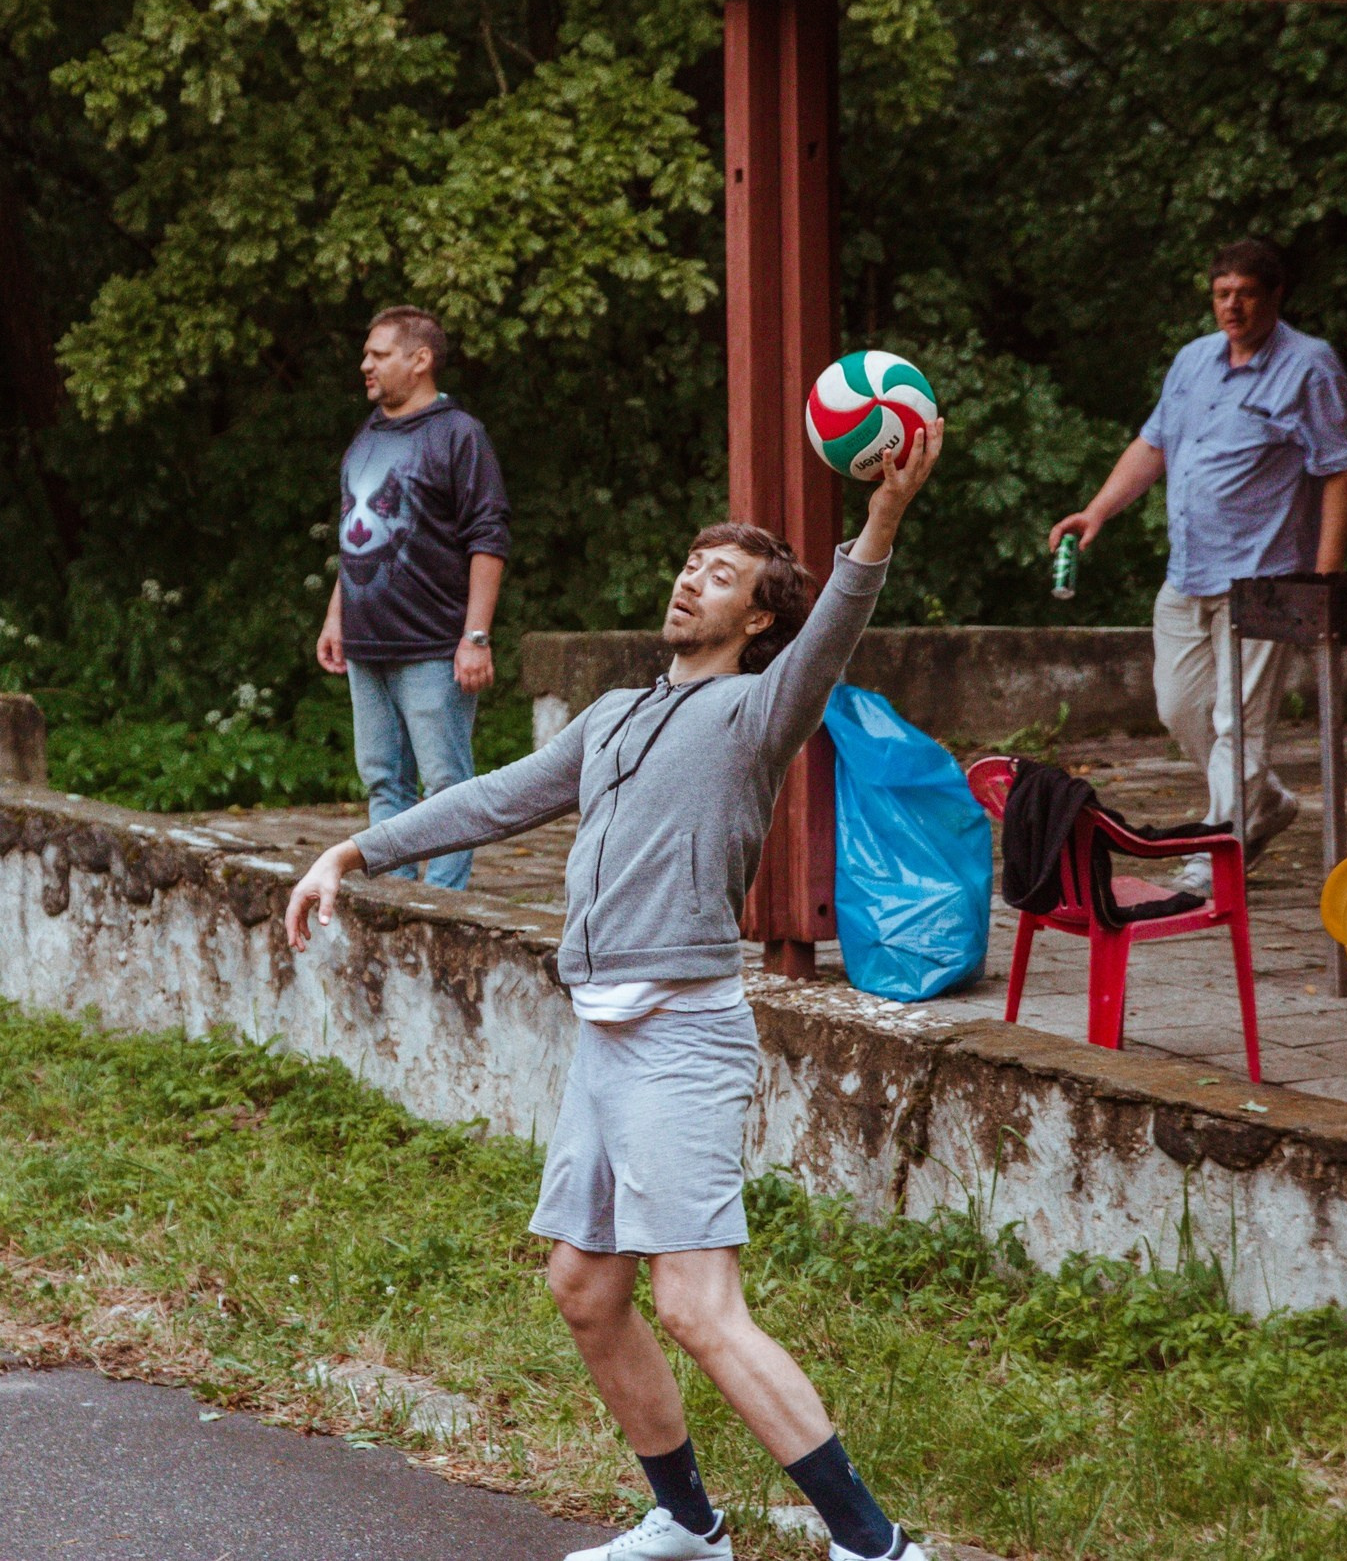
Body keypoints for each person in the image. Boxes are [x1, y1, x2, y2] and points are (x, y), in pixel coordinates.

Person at [284, 423, 947, 1561]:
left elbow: (837, 625)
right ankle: (687, 1523)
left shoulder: (757, 713)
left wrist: (881, 515)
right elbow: (492, 798)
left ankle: (876, 1547)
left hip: (682, 1034)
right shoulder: (613, 717)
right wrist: (353, 850)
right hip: (604, 1038)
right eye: (692, 563)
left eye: (722, 577)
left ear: (758, 622)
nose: (692, 580)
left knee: (696, 1305)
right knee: (586, 1288)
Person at [1049, 237, 1347, 895]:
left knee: (1236, 725)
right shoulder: (1194, 360)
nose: (1232, 306)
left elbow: (1338, 468)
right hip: (1188, 572)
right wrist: (1096, 511)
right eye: (1222, 293)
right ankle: (1263, 804)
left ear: (1275, 296)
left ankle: (1217, 850)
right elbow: (1153, 444)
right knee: (1180, 708)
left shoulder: (1311, 367)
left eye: (1246, 293)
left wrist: (1325, 574)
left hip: (1265, 579)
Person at [313, 306, 511, 891]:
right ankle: (396, 905)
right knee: (383, 785)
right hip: (367, 644)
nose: (365, 365)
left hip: (433, 645)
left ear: (420, 359)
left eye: (378, 354)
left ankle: (445, 909)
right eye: (366, 354)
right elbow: (356, 531)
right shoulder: (368, 434)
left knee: (447, 788)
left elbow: (489, 537)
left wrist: (476, 637)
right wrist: (336, 617)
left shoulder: (459, 434)